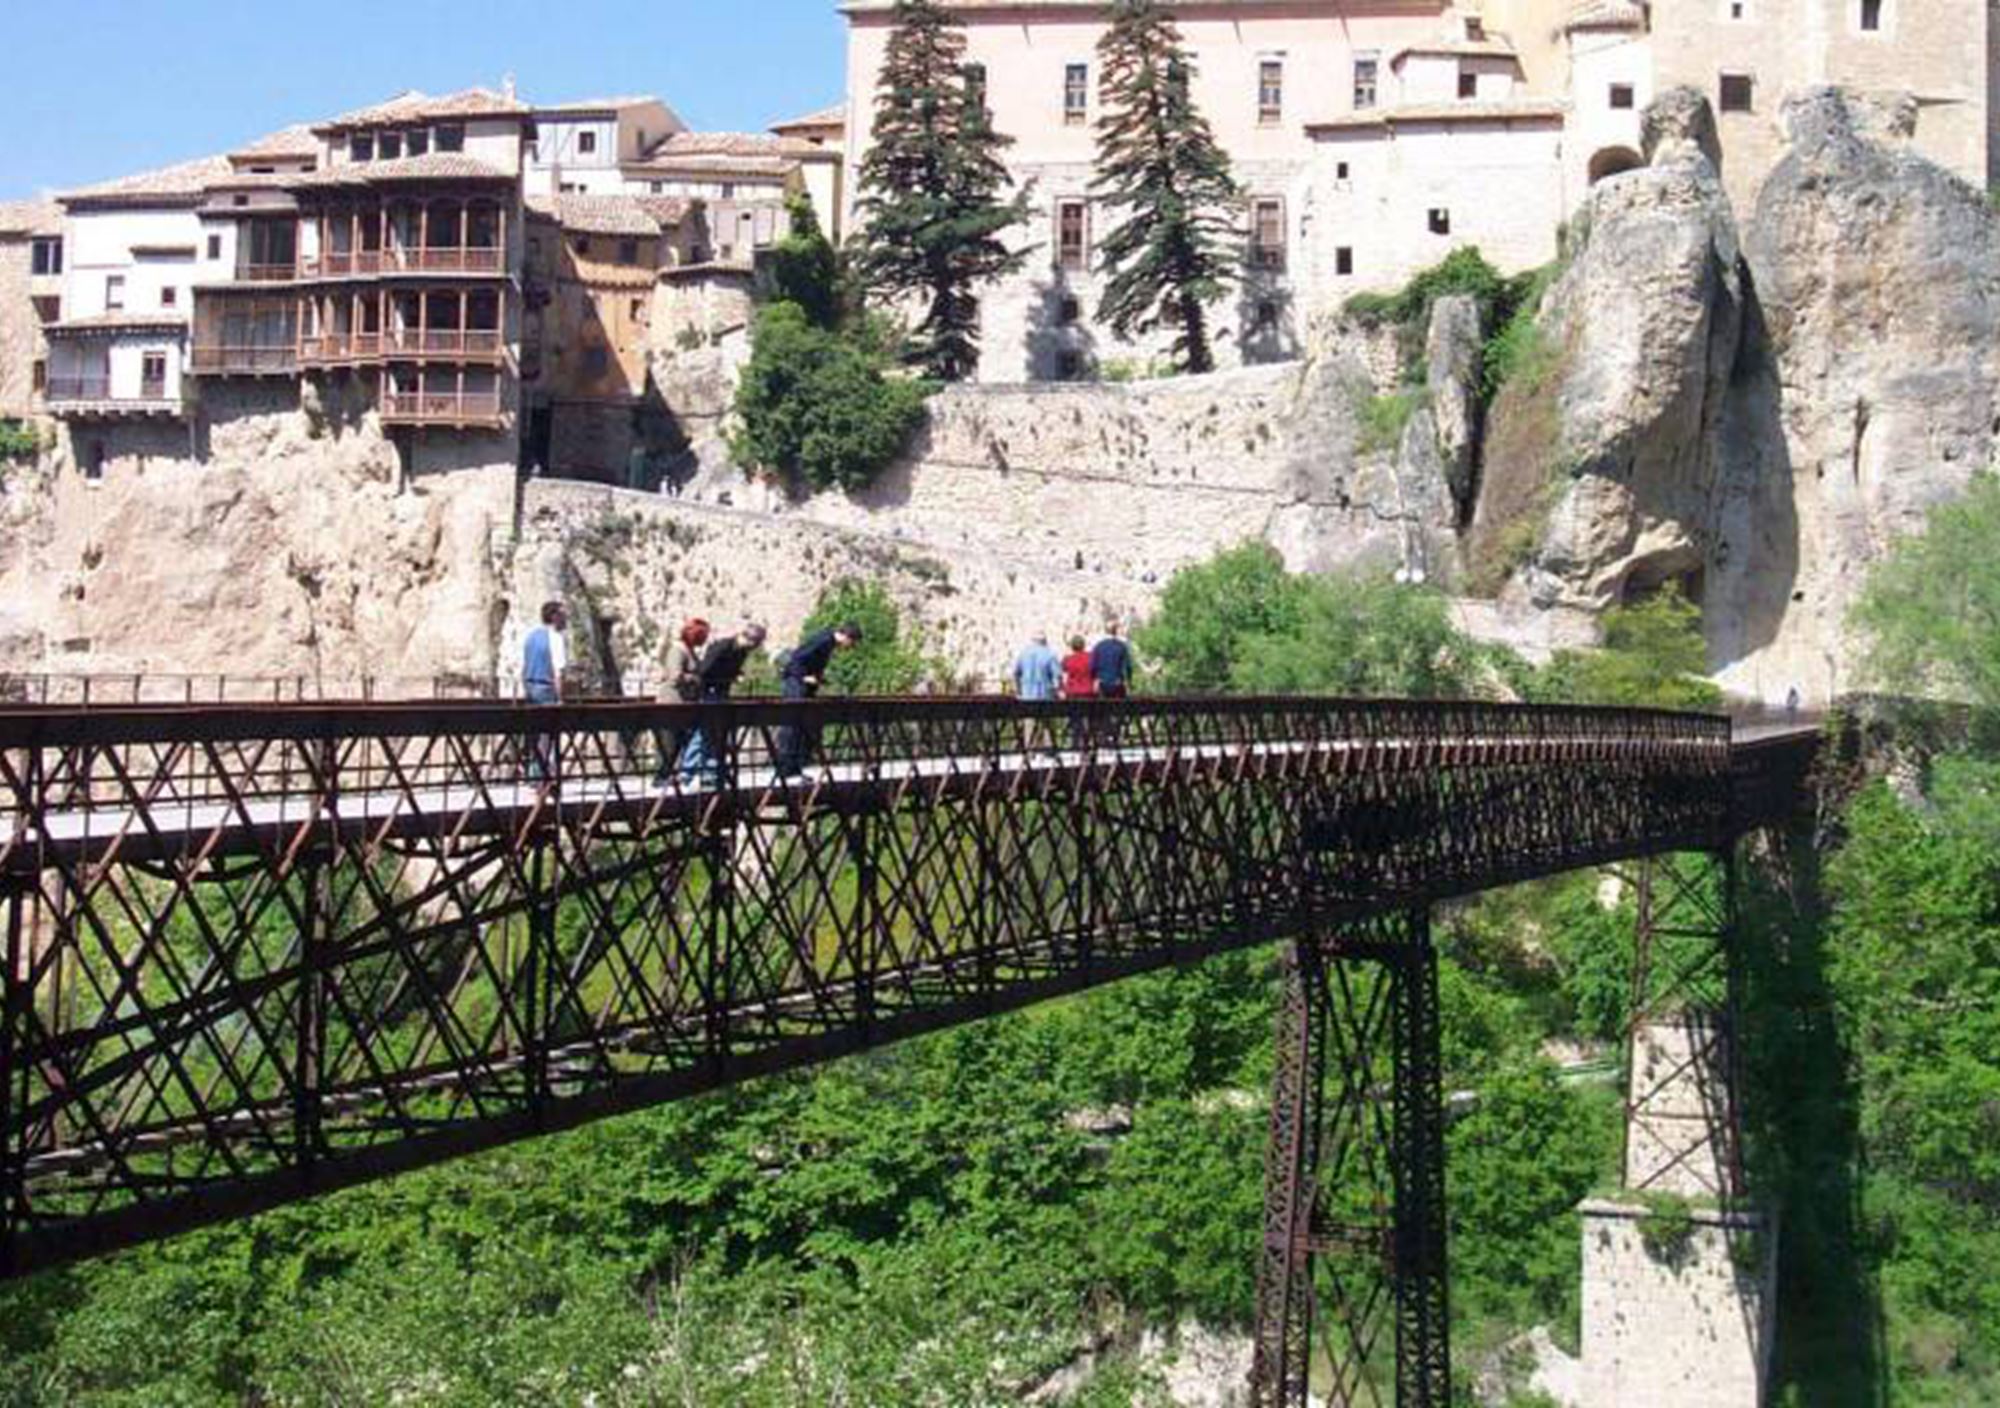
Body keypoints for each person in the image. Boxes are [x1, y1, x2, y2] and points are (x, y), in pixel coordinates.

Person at [678, 622, 767, 786]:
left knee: (715, 734)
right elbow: (704, 670)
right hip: (709, 693)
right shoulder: (722, 646)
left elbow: (732, 669)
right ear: (750, 639)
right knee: (704, 732)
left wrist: (737, 675)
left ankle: (708, 772)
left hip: (721, 693)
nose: (754, 648)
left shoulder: (742, 651)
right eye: (755, 643)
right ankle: (688, 771)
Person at [775, 622, 862, 778]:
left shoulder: (829, 642)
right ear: (846, 637)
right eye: (852, 643)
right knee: (792, 724)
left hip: (804, 685)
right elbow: (796, 658)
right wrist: (804, 677)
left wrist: (817, 676)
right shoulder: (823, 640)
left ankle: (794, 767)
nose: (850, 647)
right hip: (796, 683)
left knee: (802, 726)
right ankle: (784, 768)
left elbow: (811, 661)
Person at [655, 617, 710, 786]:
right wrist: (696, 679)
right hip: (671, 703)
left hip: (684, 705)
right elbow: (675, 676)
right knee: (669, 743)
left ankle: (680, 775)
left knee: (682, 741)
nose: (705, 640)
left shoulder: (689, 650)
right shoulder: (677, 650)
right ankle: (662, 777)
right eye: (703, 636)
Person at [521, 601, 568, 782]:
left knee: (533, 733)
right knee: (547, 735)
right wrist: (560, 698)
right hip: (546, 689)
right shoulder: (555, 638)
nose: (566, 619)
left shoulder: (531, 637)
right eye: (563, 615)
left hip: (530, 687)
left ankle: (533, 773)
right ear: (554, 617)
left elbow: (524, 668)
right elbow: (558, 672)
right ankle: (543, 776)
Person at [1013, 632, 1062, 754]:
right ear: (1045, 641)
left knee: (1029, 723)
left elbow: (1016, 673)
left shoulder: (1023, 654)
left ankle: (1029, 751)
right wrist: (1057, 690)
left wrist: (1018, 690)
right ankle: (1049, 750)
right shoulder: (1050, 654)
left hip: (1027, 694)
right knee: (1047, 723)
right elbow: (1057, 675)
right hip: (1045, 694)